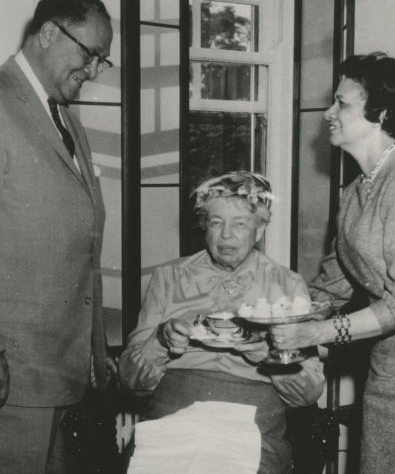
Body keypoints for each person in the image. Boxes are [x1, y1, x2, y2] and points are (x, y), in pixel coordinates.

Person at [119, 172, 325, 474]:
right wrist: (161, 341)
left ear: (259, 230)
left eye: (239, 224)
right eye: (216, 222)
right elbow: (130, 381)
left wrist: (268, 357)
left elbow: (308, 393)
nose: (226, 235)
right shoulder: (170, 277)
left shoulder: (287, 284)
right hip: (172, 415)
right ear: (204, 226)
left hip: (253, 418)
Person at [269, 52, 395, 474]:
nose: (328, 113)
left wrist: (318, 332)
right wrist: (273, 319)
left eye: (341, 104)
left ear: (381, 113)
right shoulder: (353, 192)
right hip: (390, 373)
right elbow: (335, 282)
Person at [0, 0, 114, 472]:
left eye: (101, 61)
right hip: (13, 378)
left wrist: (96, 352)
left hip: (64, 374)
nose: (92, 71)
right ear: (48, 34)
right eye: (89, 55)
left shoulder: (65, 115)